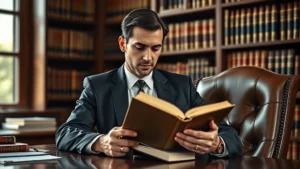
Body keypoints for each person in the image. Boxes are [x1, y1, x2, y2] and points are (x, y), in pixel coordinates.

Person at [56, 8, 242, 158]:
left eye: (156, 48)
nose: (148, 57)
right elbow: (66, 133)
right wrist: (101, 142)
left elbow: (231, 136)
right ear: (123, 44)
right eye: (139, 47)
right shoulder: (98, 86)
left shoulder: (182, 85)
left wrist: (216, 143)